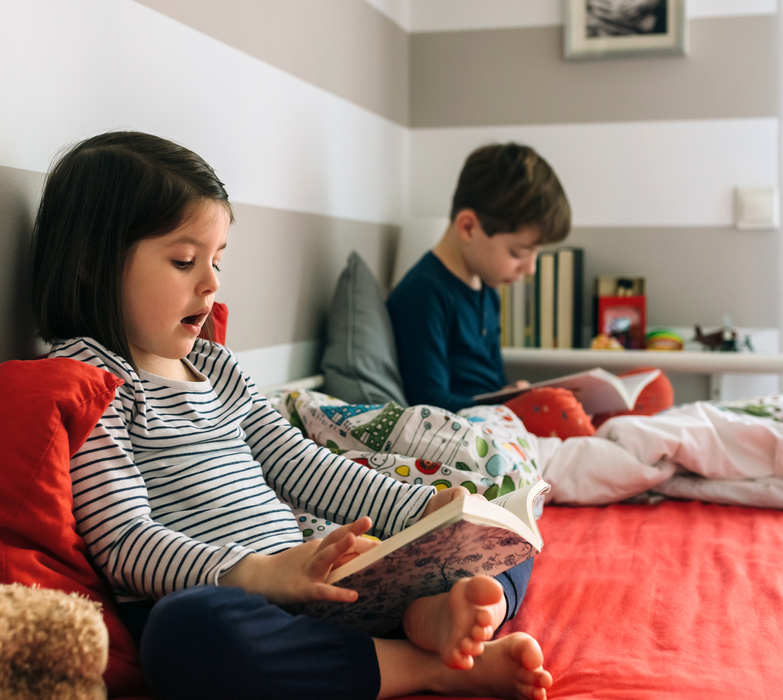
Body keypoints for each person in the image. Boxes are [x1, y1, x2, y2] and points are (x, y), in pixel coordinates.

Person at [29, 131, 551, 700]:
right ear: (90, 262)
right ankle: (426, 662)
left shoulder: (216, 367)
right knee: (185, 637)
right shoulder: (89, 384)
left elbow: (303, 465)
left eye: (217, 261)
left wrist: (424, 510)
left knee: (505, 537)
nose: (212, 283)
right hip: (236, 600)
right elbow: (125, 542)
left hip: (325, 582)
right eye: (184, 261)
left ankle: (444, 614)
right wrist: (262, 576)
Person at [387, 143, 571, 413]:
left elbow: (491, 382)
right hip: (465, 434)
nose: (530, 268)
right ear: (468, 227)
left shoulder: (487, 290)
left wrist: (511, 394)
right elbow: (429, 403)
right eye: (519, 252)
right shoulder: (423, 294)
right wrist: (511, 405)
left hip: (495, 424)